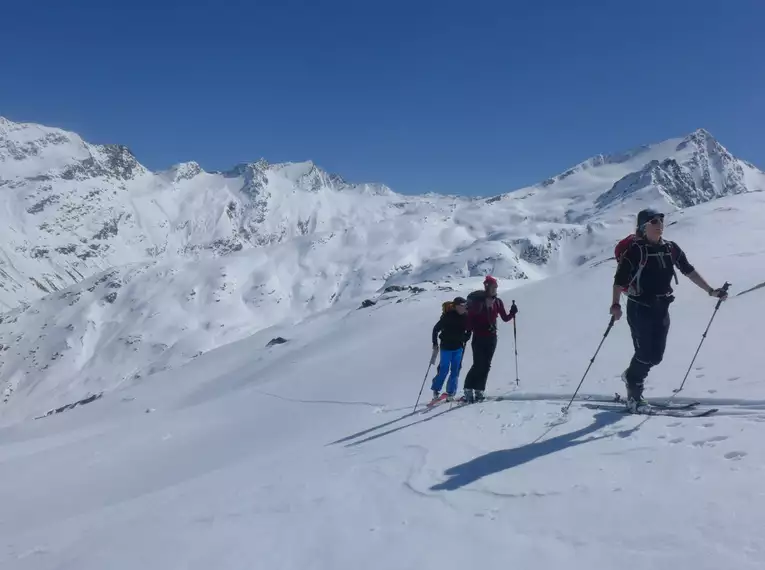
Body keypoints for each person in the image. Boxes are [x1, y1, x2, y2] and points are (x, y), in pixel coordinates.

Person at [611, 208, 728, 411]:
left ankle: (632, 374)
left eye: (662, 220)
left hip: (662, 307)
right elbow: (619, 281)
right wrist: (615, 305)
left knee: (656, 356)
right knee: (645, 353)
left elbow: (688, 270)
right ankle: (634, 394)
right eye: (654, 221)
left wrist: (710, 290)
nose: (660, 224)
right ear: (643, 226)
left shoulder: (670, 248)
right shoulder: (635, 251)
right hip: (639, 308)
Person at [462, 276, 517, 403]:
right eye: (493, 287)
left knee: (486, 365)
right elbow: (470, 320)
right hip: (479, 337)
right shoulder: (477, 303)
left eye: (496, 287)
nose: (495, 289)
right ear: (487, 287)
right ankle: (468, 388)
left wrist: (512, 313)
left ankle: (479, 390)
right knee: (478, 364)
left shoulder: (498, 302)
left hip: (491, 338)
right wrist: (468, 332)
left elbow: (504, 318)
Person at [430, 297, 471, 401]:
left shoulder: (466, 316)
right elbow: (435, 329)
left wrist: (467, 337)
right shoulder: (447, 317)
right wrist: (435, 343)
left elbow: (470, 328)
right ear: (456, 306)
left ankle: (451, 392)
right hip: (446, 348)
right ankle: (436, 389)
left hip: (458, 348)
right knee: (444, 370)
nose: (464, 308)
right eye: (462, 306)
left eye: (465, 306)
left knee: (455, 370)